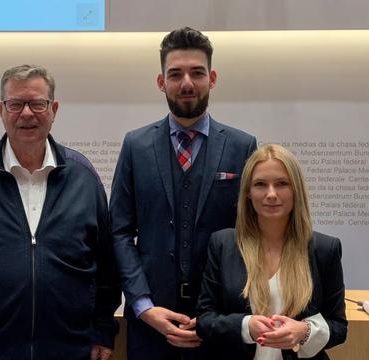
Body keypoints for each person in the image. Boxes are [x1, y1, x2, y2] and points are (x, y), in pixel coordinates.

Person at [0, 64, 121, 360]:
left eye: (37, 103)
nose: (26, 114)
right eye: (15, 104)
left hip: (69, 350)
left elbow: (108, 266)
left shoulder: (84, 178)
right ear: (0, 109)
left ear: (54, 109)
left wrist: (102, 328)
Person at [109, 27, 258, 359]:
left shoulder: (242, 146)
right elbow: (119, 231)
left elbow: (253, 233)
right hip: (150, 325)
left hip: (222, 323)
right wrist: (143, 305)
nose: (187, 83)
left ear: (212, 77)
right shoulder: (136, 145)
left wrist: (219, 313)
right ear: (161, 82)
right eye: (175, 74)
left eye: (197, 73)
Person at [196, 144, 347, 359]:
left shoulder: (325, 248)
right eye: (260, 184)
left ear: (296, 189)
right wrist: (246, 325)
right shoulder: (223, 244)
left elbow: (339, 327)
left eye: (282, 184)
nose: (271, 194)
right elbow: (204, 320)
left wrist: (304, 332)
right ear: (248, 192)